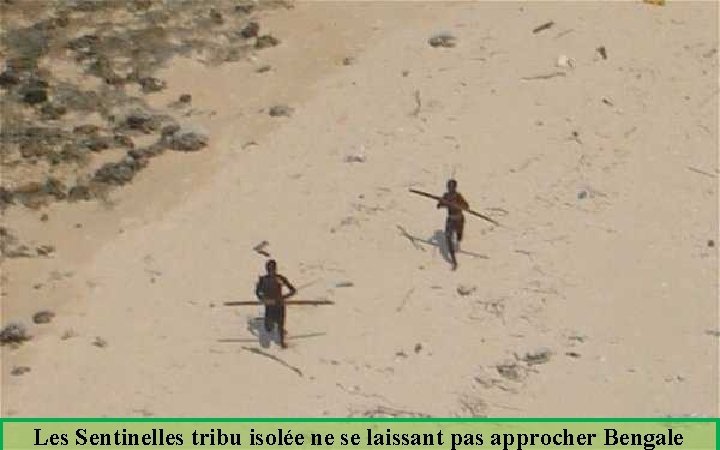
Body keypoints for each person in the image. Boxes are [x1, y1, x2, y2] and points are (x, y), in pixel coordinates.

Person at [255, 259, 296, 348]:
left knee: (280, 325)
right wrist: (264, 299)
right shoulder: (263, 280)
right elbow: (258, 293)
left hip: (279, 305)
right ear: (267, 270)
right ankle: (269, 326)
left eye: (273, 269)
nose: (271, 271)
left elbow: (293, 290)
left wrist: (284, 297)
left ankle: (282, 342)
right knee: (269, 328)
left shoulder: (280, 278)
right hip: (269, 306)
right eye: (269, 269)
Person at [437, 179, 469, 270]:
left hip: (459, 219)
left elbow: (466, 206)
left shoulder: (458, 196)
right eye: (449, 186)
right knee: (448, 238)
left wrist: (459, 205)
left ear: (455, 187)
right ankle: (454, 261)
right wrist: (444, 203)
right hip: (450, 220)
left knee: (459, 236)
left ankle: (458, 242)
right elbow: (439, 206)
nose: (450, 188)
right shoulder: (446, 196)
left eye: (452, 186)